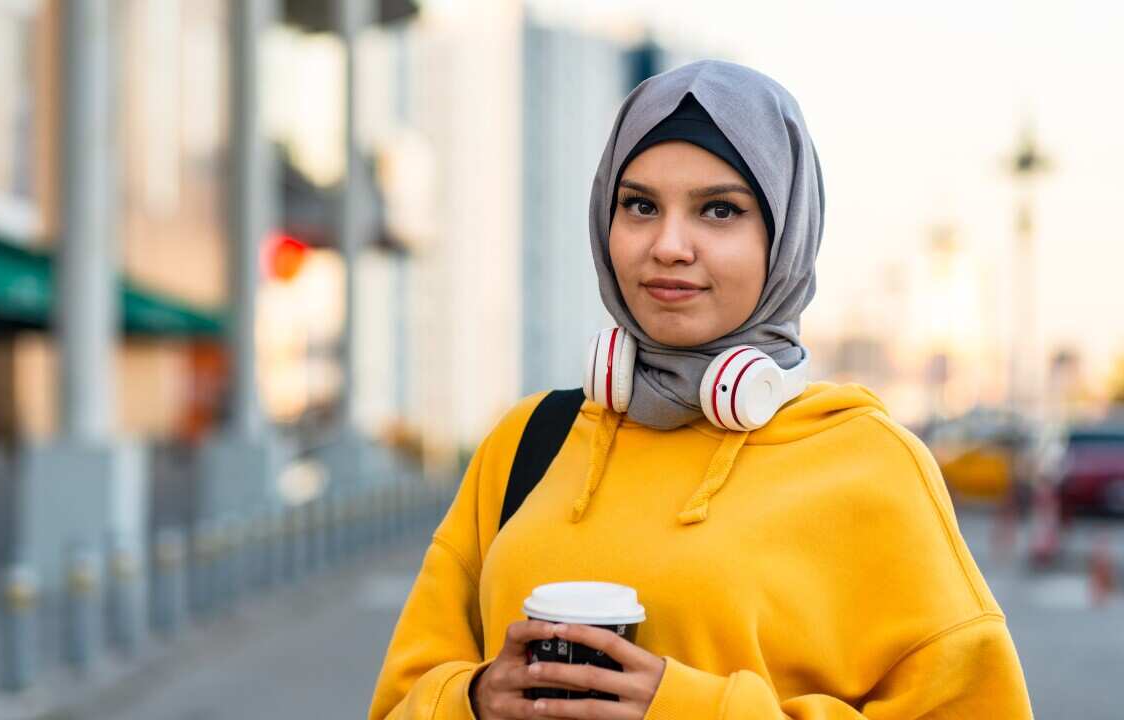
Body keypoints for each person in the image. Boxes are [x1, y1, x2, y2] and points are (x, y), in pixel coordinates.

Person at [369, 59, 1032, 719]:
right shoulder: (527, 441)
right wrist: (475, 701)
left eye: (719, 210)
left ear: (784, 237)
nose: (669, 245)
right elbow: (400, 702)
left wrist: (697, 709)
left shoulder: (872, 465)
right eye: (639, 206)